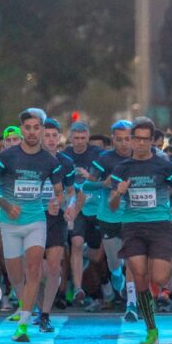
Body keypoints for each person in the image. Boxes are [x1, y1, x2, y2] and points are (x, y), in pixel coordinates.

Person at [0, 109, 64, 342]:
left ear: (42, 129)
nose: (32, 132)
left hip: (36, 220)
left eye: (36, 128)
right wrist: (5, 205)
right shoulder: (7, 157)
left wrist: (56, 203)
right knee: (16, 274)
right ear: (22, 129)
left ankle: (24, 326)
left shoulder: (50, 161)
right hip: (9, 222)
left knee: (34, 269)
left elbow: (59, 192)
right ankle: (23, 303)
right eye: (27, 128)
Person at [108, 117, 172, 344]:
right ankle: (151, 328)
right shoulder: (122, 168)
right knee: (139, 274)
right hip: (132, 226)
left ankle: (165, 269)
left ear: (152, 141)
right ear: (132, 140)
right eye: (137, 139)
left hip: (159, 225)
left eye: (146, 140)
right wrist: (119, 192)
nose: (141, 144)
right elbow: (112, 206)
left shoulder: (164, 165)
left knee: (160, 277)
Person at [38, 118, 83, 332]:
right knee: (36, 270)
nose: (51, 139)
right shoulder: (31, 159)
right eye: (47, 135)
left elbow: (71, 191)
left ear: (59, 138)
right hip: (33, 217)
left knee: (54, 266)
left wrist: (69, 206)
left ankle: (45, 314)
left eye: (54, 135)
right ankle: (38, 308)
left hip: (56, 219)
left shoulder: (66, 162)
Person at [90, 121, 138, 321]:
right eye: (119, 139)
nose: (124, 143)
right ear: (112, 140)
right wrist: (104, 183)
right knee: (115, 262)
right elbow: (87, 186)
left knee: (132, 260)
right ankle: (117, 275)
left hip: (134, 216)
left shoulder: (141, 157)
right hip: (109, 217)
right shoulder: (104, 158)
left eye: (128, 139)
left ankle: (131, 303)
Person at [64, 121, 103, 308]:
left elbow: (107, 178)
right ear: (70, 138)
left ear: (88, 137)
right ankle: (78, 288)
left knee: (96, 256)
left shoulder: (98, 154)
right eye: (76, 138)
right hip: (75, 207)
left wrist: (90, 177)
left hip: (95, 207)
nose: (79, 141)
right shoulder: (65, 156)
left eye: (82, 138)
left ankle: (106, 286)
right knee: (77, 243)